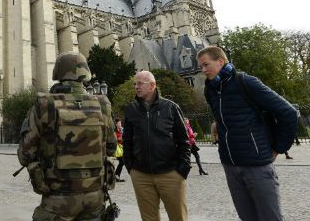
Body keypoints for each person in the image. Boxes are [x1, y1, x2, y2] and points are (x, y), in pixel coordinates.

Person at [197, 46, 298, 221]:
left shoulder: (245, 82)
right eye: (201, 67)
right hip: (230, 165)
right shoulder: (211, 89)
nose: (203, 70)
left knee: (270, 217)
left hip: (256, 165)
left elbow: (288, 112)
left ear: (220, 61)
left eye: (206, 65)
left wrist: (278, 148)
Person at [18, 51, 117, 221]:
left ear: (58, 73)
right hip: (95, 196)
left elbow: (25, 153)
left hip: (58, 197)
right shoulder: (102, 104)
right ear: (85, 73)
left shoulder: (45, 104)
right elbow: (112, 147)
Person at [123, 70, 191, 221]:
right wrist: (131, 167)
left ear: (152, 85)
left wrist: (182, 169)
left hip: (170, 173)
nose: (136, 86)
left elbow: (184, 140)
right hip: (141, 175)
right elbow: (126, 140)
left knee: (178, 217)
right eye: (135, 83)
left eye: (140, 83)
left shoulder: (170, 107)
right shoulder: (131, 109)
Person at [114, 118, 126, 182]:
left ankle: (116, 176)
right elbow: (115, 139)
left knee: (122, 162)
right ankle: (116, 175)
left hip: (121, 148)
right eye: (118, 123)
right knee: (122, 162)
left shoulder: (121, 129)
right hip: (117, 149)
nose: (120, 124)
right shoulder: (114, 131)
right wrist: (120, 138)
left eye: (120, 123)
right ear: (115, 124)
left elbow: (125, 135)